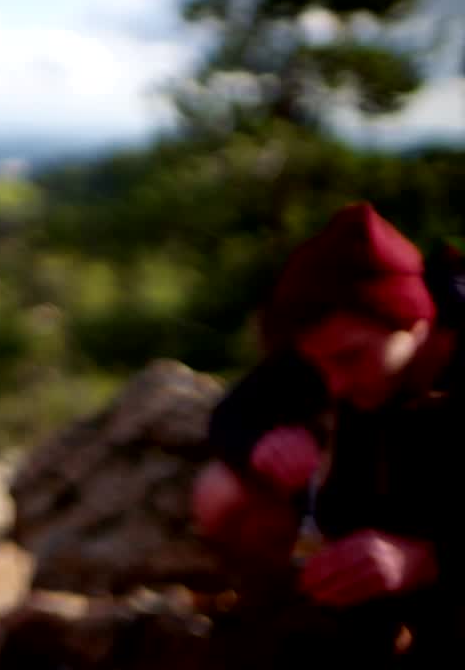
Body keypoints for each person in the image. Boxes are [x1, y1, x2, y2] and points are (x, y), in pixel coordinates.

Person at [192, 202, 464, 665]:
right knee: (224, 491)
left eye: (349, 360)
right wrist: (264, 445)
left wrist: (429, 559)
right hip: (382, 550)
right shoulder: (338, 339)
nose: (332, 384)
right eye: (319, 365)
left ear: (415, 323)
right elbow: (231, 417)